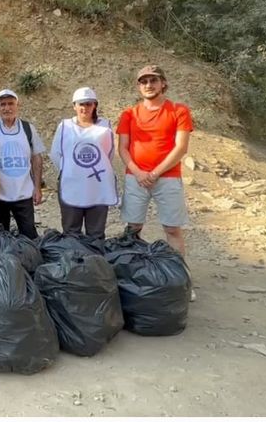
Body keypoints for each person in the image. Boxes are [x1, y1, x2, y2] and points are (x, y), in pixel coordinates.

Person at [116, 65, 194, 298]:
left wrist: (155, 172)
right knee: (133, 227)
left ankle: (180, 281)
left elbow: (181, 147)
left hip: (167, 177)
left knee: (172, 228)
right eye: (143, 81)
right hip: (135, 177)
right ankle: (132, 276)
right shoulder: (129, 114)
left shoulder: (178, 111)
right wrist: (139, 173)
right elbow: (123, 148)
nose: (148, 85)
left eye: (153, 80)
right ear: (138, 86)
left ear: (163, 83)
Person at [48, 86, 118, 239]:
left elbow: (109, 154)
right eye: (81, 104)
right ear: (74, 106)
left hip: (97, 186)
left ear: (95, 105)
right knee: (71, 231)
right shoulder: (65, 126)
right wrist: (72, 171)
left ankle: (95, 259)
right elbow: (55, 153)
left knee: (96, 232)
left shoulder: (105, 126)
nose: (85, 108)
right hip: (72, 184)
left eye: (89, 104)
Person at [0, 89, 45, 239]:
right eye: (3, 104)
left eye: (10, 104)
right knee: (2, 237)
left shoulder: (28, 128)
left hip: (24, 193)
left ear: (17, 105)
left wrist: (37, 187)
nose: (7, 108)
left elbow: (37, 158)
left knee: (29, 235)